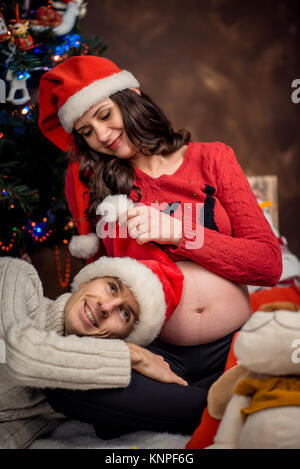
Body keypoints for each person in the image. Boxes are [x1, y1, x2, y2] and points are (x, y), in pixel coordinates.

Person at [38, 55, 283, 439]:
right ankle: (221, 405)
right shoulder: (96, 182)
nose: (101, 136)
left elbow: (268, 264)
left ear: (131, 96)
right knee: (61, 381)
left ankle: (191, 405)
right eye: (86, 131)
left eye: (105, 115)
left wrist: (180, 232)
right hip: (158, 354)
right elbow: (100, 283)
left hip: (233, 346)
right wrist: (127, 355)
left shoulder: (212, 158)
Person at [0, 255, 187, 449]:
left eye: (125, 314)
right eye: (112, 287)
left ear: (121, 336)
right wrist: (132, 355)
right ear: (85, 282)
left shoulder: (65, 397)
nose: (106, 307)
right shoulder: (17, 275)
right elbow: (14, 354)